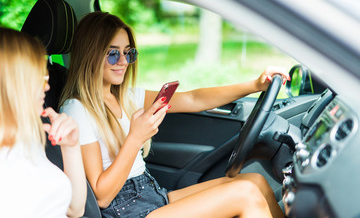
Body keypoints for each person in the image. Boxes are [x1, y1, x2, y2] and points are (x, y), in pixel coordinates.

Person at [59, 11, 290, 218]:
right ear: (90, 55)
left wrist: (255, 84)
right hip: (126, 211)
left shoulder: (126, 96)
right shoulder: (77, 110)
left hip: (151, 194)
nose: (123, 62)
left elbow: (193, 99)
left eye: (129, 53)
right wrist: (135, 138)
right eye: (112, 54)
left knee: (255, 180)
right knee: (245, 193)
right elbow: (101, 197)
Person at [0, 27, 87, 218]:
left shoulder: (27, 136)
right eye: (39, 79)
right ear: (11, 84)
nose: (47, 86)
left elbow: (75, 209)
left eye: (46, 77)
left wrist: (70, 147)